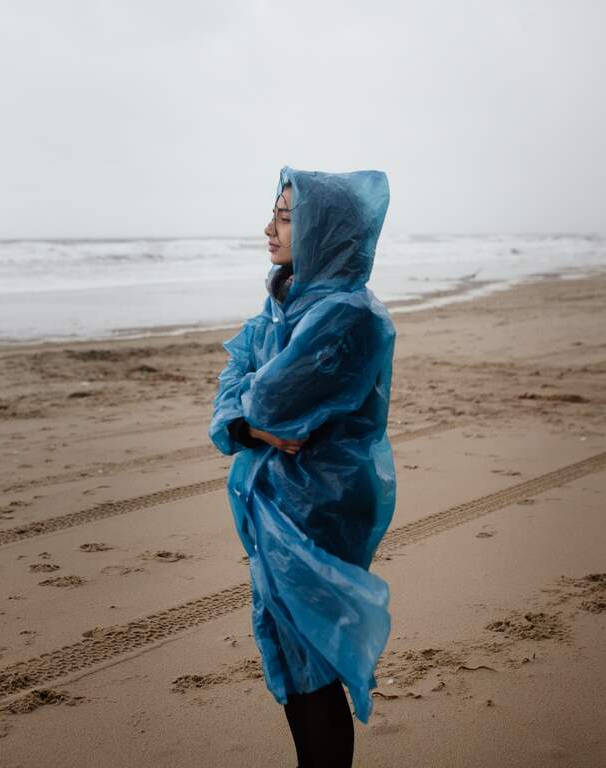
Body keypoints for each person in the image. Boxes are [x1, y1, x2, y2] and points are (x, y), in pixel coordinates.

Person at [208, 166, 397, 767]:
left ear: (323, 230)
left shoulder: (346, 316)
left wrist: (249, 413)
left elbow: (270, 403)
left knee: (311, 658)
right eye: (274, 213)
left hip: (317, 505)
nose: (269, 229)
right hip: (279, 497)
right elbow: (234, 386)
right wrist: (244, 420)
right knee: (291, 650)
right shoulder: (288, 301)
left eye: (286, 218)